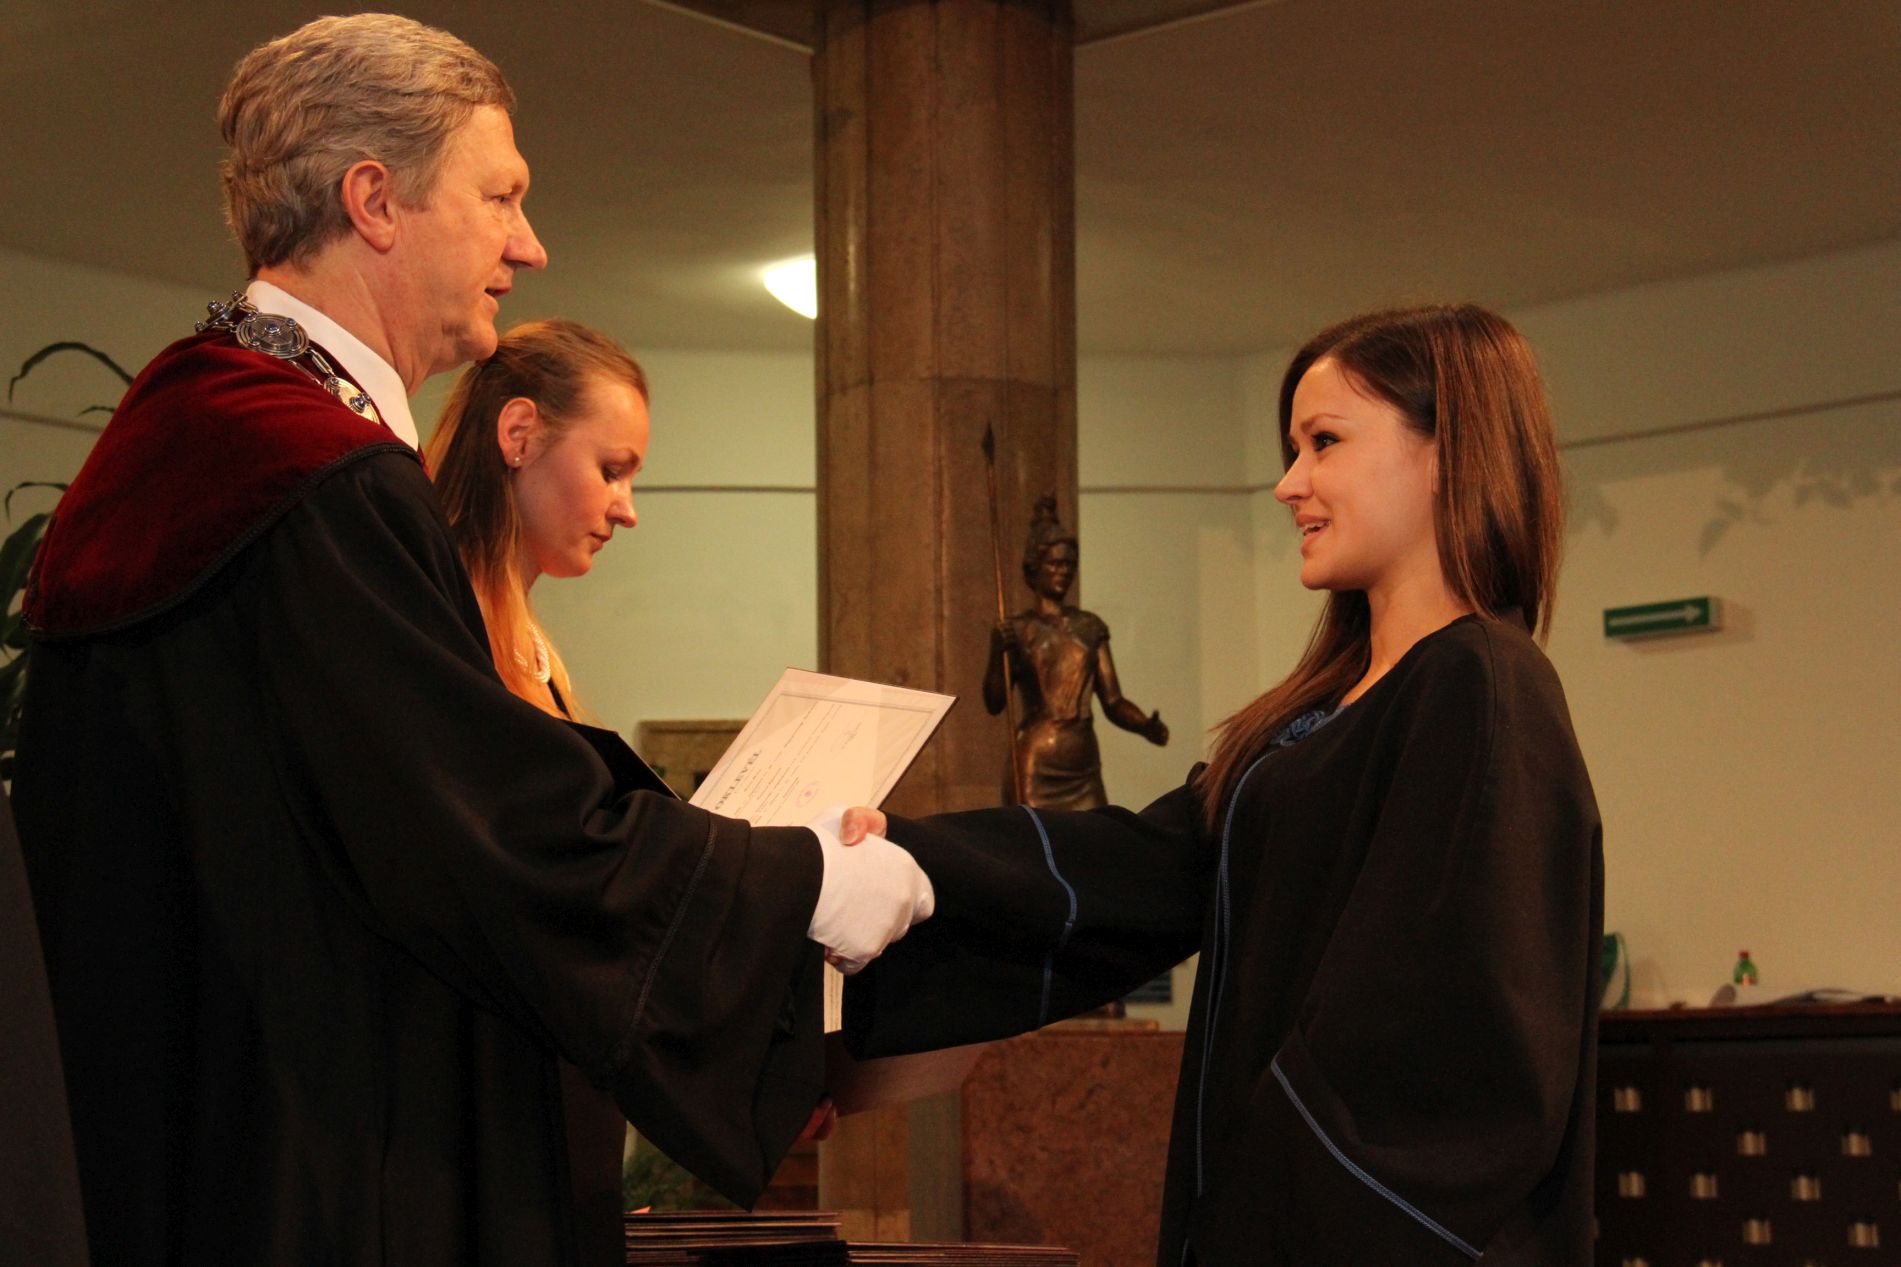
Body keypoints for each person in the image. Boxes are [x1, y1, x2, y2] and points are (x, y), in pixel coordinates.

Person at [12, 16, 931, 1267]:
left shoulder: (191, 430)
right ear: (375, 201)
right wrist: (800, 880)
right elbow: (491, 834)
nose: (529, 245)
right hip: (319, 1176)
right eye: (500, 197)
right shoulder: (312, 473)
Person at [837, 304, 1603, 1264]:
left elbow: (1446, 1041)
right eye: (1291, 449)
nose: (1288, 484)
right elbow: (1152, 867)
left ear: (1447, 452)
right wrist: (908, 859)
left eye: (1324, 442)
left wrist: (1265, 1190)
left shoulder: (1479, 682)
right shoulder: (1320, 710)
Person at [985, 495, 1168, 809]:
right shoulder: (1017, 630)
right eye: (1055, 564)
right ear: (1035, 568)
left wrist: (1143, 725)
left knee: (1094, 834)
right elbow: (995, 702)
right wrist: (996, 651)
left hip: (1082, 760)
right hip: (1036, 761)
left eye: (1069, 565)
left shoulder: (1090, 627)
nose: (1064, 572)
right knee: (1035, 836)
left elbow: (1113, 701)